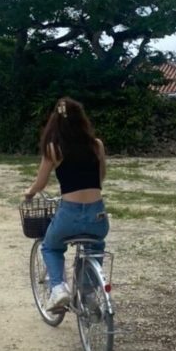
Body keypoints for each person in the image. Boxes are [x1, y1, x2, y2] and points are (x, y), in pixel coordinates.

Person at [24, 97, 109, 312]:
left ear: (56, 121)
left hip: (69, 215)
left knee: (51, 247)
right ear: (82, 120)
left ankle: (58, 288)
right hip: (97, 214)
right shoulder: (96, 145)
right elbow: (101, 178)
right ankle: (88, 293)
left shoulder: (54, 148)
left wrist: (29, 192)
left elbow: (41, 182)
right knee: (95, 245)